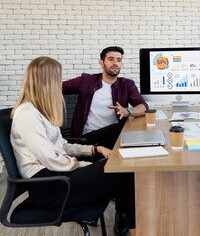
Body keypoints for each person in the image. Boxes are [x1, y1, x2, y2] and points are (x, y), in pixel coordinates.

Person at [11, 56, 135, 236]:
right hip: (51, 187)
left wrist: (94, 149)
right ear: (46, 81)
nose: (59, 84)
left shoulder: (40, 110)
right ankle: (135, 226)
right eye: (56, 79)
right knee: (124, 167)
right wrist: (86, 165)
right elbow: (52, 160)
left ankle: (131, 224)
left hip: (60, 177)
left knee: (125, 171)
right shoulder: (27, 114)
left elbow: (61, 145)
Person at [63, 46, 148, 150]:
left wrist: (127, 111)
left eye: (119, 60)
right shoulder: (86, 81)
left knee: (137, 128)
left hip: (113, 137)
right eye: (111, 59)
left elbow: (144, 107)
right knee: (126, 129)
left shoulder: (126, 85)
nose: (115, 63)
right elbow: (56, 87)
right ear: (101, 63)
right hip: (89, 138)